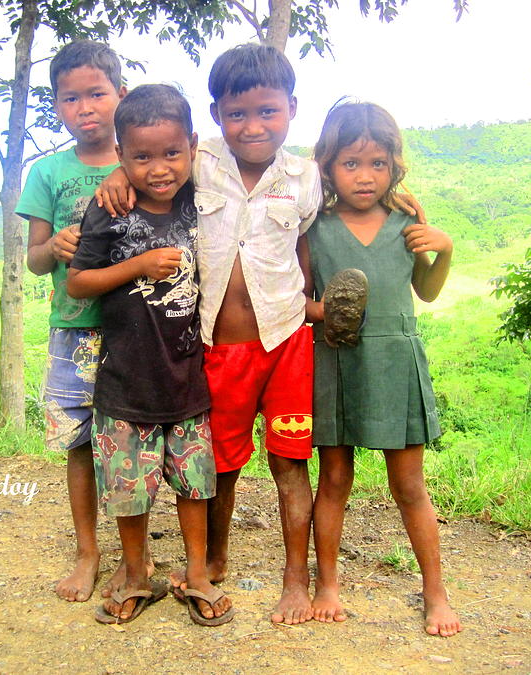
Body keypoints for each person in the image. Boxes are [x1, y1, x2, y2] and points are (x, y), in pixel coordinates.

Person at [97, 43, 322, 624]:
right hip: (218, 347)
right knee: (219, 463)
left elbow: (306, 246)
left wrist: (316, 306)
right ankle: (213, 562)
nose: (253, 126)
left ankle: (295, 579)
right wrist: (117, 176)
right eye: (237, 113)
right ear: (216, 115)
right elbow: (153, 164)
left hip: (287, 341)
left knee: (291, 462)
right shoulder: (200, 163)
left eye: (268, 112)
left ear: (292, 108)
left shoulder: (305, 176)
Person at [67, 84, 233, 626]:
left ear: (190, 146)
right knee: (129, 490)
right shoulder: (110, 209)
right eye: (140, 157)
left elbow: (228, 150)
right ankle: (137, 572)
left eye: (171, 153)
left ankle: (197, 573)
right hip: (124, 384)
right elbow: (79, 283)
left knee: (193, 484)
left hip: (187, 380)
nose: (159, 168)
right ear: (120, 156)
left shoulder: (200, 196)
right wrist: (137, 267)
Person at [301, 98, 462, 636]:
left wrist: (444, 249)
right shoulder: (315, 227)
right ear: (327, 166)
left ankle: (435, 591)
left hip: (394, 359)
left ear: (395, 165)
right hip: (337, 360)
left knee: (409, 485)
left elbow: (427, 292)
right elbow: (299, 299)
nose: (364, 177)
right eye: (350, 163)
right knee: (335, 478)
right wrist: (326, 311)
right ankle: (327, 583)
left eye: (377, 164)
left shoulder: (407, 222)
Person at [15, 40, 143, 603]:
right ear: (58, 107)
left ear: (120, 93)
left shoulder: (143, 159)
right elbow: (34, 256)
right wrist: (58, 246)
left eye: (97, 93)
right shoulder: (47, 172)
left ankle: (133, 557)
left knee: (130, 442)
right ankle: (88, 551)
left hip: (137, 325)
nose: (85, 108)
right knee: (79, 444)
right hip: (73, 327)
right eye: (71, 99)